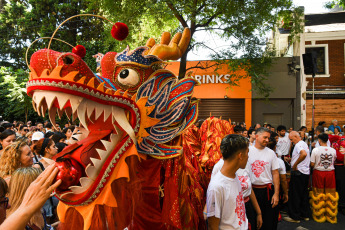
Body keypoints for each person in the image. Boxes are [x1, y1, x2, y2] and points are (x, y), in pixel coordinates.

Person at [207, 135, 249, 230]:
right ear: (240, 156)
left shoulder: (234, 176)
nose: (248, 157)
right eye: (247, 153)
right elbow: (212, 226)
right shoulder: (217, 186)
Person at [0, 164, 61, 230]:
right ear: (29, 190)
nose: (46, 188)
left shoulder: (39, 210)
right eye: (42, 185)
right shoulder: (15, 223)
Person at [246, 127, 280, 230]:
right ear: (256, 136)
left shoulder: (271, 153)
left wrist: (276, 194)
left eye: (268, 138)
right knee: (253, 220)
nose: (267, 140)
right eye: (265, 137)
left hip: (268, 191)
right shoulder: (247, 151)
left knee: (269, 221)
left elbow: (275, 173)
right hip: (252, 191)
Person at [310, 133, 337, 223]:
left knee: (318, 193)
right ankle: (331, 215)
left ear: (319, 141)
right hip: (330, 173)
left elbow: (312, 164)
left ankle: (319, 214)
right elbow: (334, 161)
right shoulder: (333, 150)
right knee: (330, 193)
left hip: (318, 173)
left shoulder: (315, 150)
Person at [284, 131, 310, 223]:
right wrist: (292, 159)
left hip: (298, 172)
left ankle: (294, 217)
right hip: (305, 173)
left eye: (291, 139)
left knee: (295, 195)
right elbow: (303, 155)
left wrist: (295, 164)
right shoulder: (303, 143)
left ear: (295, 137)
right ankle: (304, 214)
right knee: (303, 194)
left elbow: (303, 154)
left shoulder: (298, 144)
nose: (291, 141)